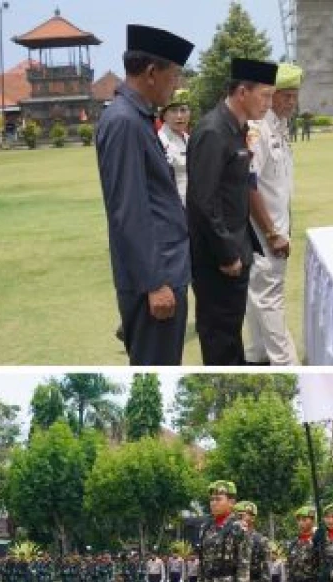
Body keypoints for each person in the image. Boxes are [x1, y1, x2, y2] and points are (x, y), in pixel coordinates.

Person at [95, 25, 194, 365]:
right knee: (156, 368)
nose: (176, 85)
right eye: (174, 75)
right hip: (156, 278)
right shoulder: (123, 122)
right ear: (152, 73)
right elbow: (129, 210)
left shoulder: (137, 118)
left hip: (166, 270)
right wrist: (154, 283)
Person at [186, 58, 278, 366]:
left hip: (236, 252)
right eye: (264, 95)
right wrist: (227, 254)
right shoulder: (213, 131)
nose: (269, 102)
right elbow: (203, 201)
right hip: (218, 261)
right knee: (220, 341)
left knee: (231, 335)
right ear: (242, 92)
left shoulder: (236, 129)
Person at [245, 63, 303, 366]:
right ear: (269, 95)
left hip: (276, 228)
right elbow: (249, 184)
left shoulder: (278, 126)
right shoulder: (258, 129)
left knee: (259, 297)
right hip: (264, 233)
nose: (291, 103)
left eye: (294, 96)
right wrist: (271, 232)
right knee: (270, 297)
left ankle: (257, 354)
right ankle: (285, 364)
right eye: (284, 96)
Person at [158, 89, 191, 206]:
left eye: (183, 110)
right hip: (171, 207)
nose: (179, 116)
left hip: (191, 206)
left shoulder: (189, 139)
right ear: (164, 115)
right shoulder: (159, 141)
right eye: (173, 110)